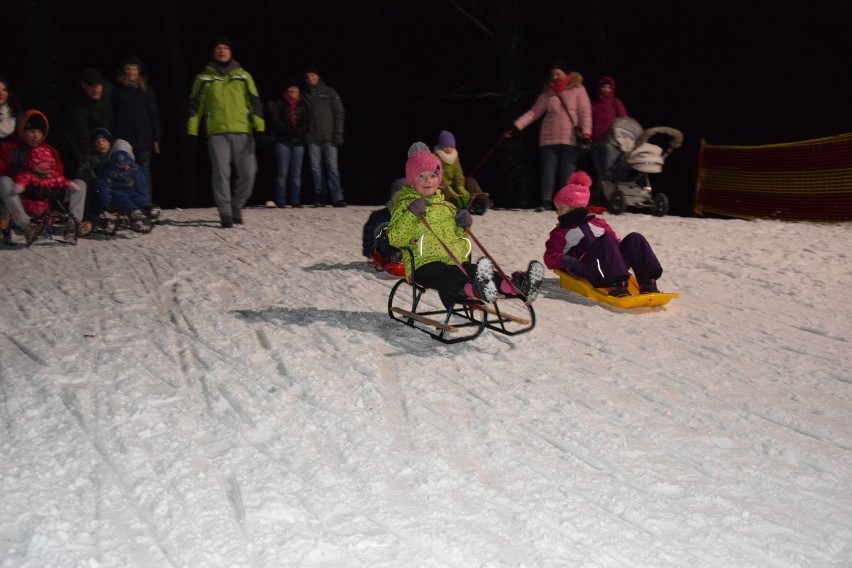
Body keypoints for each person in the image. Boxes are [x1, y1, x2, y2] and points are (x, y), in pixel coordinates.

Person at [388, 142, 544, 308]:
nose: (428, 180)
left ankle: (515, 285)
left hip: (455, 260)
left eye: (432, 176)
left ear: (439, 179)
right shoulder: (406, 205)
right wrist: (410, 214)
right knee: (448, 276)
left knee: (475, 270)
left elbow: (458, 239)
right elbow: (395, 238)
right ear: (412, 180)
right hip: (424, 265)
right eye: (421, 176)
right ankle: (475, 289)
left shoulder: (447, 206)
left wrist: (463, 225)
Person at [543, 170, 663, 297]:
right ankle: (616, 286)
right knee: (605, 240)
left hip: (609, 265)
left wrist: (626, 252)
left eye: (560, 208)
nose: (557, 213)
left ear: (574, 207)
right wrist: (565, 259)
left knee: (635, 238)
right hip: (587, 268)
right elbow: (549, 257)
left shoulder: (599, 223)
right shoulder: (560, 232)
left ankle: (648, 282)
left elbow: (615, 245)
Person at [187, 35, 265, 228]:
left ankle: (237, 205)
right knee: (221, 173)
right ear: (214, 52)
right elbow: (195, 108)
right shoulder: (203, 78)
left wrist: (260, 128)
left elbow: (255, 103)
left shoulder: (244, 76)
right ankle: (225, 212)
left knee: (249, 172)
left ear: (231, 52)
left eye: (225, 48)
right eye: (218, 48)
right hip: (217, 132)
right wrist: (192, 133)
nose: (222, 51)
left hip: (243, 130)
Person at [505, 61, 592, 211]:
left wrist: (586, 133)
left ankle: (567, 203)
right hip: (548, 138)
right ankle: (545, 202)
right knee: (548, 172)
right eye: (553, 74)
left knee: (567, 174)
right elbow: (534, 112)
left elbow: (585, 112)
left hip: (570, 139)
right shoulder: (548, 92)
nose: (555, 77)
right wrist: (516, 127)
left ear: (566, 73)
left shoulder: (578, 89)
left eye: (558, 73)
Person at [0, 110, 88, 246]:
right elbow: (3, 170)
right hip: (22, 194)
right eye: (32, 131)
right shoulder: (10, 148)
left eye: (40, 132)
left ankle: (72, 224)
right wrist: (26, 182)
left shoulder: (49, 150)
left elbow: (58, 174)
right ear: (23, 130)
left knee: (80, 184)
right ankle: (26, 225)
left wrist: (52, 189)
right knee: (4, 181)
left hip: (46, 193)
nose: (36, 136)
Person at [112, 56, 161, 201]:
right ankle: (129, 204)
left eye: (134, 68)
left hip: (144, 138)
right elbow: (113, 114)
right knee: (126, 171)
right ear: (124, 71)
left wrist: (156, 137)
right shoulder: (118, 90)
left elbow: (153, 113)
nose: (131, 71)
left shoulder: (145, 89)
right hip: (124, 138)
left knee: (144, 171)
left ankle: (146, 202)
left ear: (138, 71)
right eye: (128, 68)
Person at [302, 65, 346, 207]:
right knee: (315, 168)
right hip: (312, 138)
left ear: (318, 77)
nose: (311, 78)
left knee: (332, 167)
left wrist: (338, 132)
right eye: (308, 76)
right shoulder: (305, 94)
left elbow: (339, 112)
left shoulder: (329, 92)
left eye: (313, 75)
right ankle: (320, 197)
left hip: (329, 136)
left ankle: (337, 197)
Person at [266, 78, 308, 207]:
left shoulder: (302, 105)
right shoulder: (280, 103)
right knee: (282, 172)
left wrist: (298, 132)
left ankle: (295, 200)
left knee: (296, 173)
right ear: (286, 91)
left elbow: (306, 122)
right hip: (283, 141)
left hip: (298, 142)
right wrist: (287, 130)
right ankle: (281, 200)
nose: (293, 90)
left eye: (295, 88)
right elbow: (275, 120)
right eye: (290, 88)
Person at [64, 67, 113, 173]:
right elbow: (82, 132)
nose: (96, 90)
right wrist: (88, 155)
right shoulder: (77, 105)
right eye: (92, 87)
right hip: (86, 137)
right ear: (84, 86)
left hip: (106, 132)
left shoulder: (108, 89)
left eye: (98, 86)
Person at [434, 130, 490, 215]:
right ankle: (453, 203)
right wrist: (453, 192)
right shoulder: (435, 157)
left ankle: (479, 200)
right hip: (443, 184)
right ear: (441, 146)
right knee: (441, 186)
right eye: (446, 146)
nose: (449, 148)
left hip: (454, 185)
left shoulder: (454, 157)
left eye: (451, 146)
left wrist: (460, 186)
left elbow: (458, 173)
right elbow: (439, 176)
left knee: (469, 180)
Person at [97, 150, 152, 233]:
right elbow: (103, 186)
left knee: (139, 198)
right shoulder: (107, 170)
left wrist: (146, 200)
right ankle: (134, 213)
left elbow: (142, 185)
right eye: (119, 165)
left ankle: (148, 209)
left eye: (124, 164)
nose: (122, 167)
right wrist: (107, 203)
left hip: (131, 192)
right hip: (116, 194)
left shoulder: (135, 169)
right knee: (124, 200)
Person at [590, 76, 628, 184]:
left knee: (608, 171)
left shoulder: (616, 103)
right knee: (600, 173)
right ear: (599, 89)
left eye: (609, 87)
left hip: (611, 143)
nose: (606, 90)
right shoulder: (594, 105)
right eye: (604, 87)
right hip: (596, 142)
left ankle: (612, 196)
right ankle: (605, 196)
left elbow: (623, 122)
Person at [0, 75, 22, 244]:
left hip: (11, 160)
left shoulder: (15, 112)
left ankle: (9, 225)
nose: (1, 93)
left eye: (4, 89)